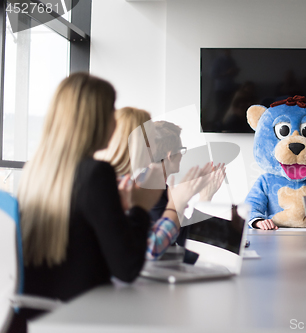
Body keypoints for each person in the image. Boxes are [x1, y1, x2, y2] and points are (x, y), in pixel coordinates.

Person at [11, 73, 164, 332]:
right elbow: (127, 268)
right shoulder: (95, 173)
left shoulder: (37, 170)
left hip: (38, 313)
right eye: (110, 113)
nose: (115, 126)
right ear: (94, 120)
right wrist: (141, 207)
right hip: (80, 313)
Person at [95, 112, 225, 259]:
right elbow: (187, 240)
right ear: (169, 155)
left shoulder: (157, 186)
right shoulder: (148, 188)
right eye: (181, 150)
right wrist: (204, 197)